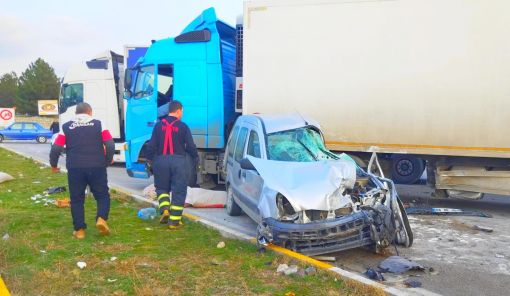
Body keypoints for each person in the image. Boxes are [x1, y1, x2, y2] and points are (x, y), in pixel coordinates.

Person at [49, 102, 115, 239]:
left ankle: (79, 231)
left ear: (76, 113)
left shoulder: (66, 126)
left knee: (77, 199)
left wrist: (54, 165)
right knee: (102, 195)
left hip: (75, 167)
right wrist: (107, 160)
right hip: (97, 166)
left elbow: (56, 148)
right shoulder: (99, 123)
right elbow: (109, 143)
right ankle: (101, 219)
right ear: (90, 112)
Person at [146, 100, 198, 230]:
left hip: (161, 161)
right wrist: (195, 157)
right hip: (178, 162)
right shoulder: (183, 127)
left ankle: (164, 209)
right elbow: (191, 146)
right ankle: (174, 221)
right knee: (178, 191)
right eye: (182, 112)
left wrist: (151, 160)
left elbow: (151, 145)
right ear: (178, 111)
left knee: (162, 188)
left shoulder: (158, 126)